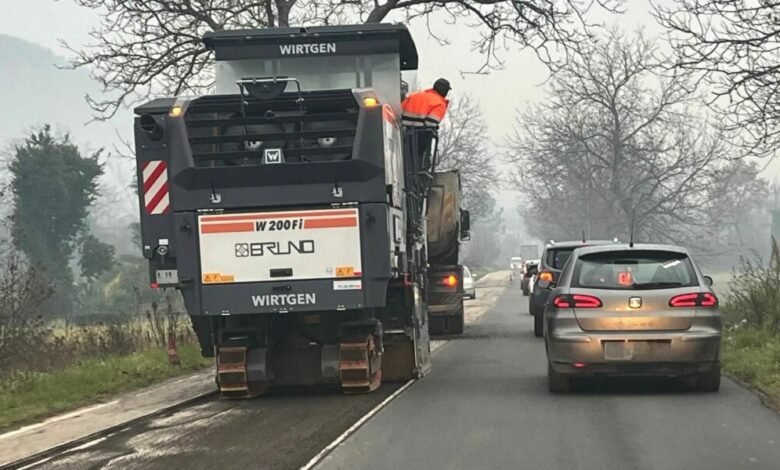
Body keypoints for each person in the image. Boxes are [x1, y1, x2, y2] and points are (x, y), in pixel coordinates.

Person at [401, 78, 451, 165]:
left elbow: (399, 112)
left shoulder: (414, 96)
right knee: (417, 163)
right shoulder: (439, 104)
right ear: (445, 91)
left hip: (402, 135)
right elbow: (431, 123)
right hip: (419, 138)